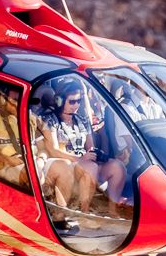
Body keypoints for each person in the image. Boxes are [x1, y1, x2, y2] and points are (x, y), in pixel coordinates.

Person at [32, 77, 125, 222]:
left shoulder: (82, 120)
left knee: (117, 167)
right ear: (60, 101)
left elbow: (90, 147)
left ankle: (112, 211)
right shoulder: (49, 120)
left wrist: (97, 155)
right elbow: (53, 150)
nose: (76, 105)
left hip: (83, 162)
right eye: (72, 101)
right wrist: (80, 159)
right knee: (91, 167)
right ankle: (84, 213)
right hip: (64, 162)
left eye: (78, 101)